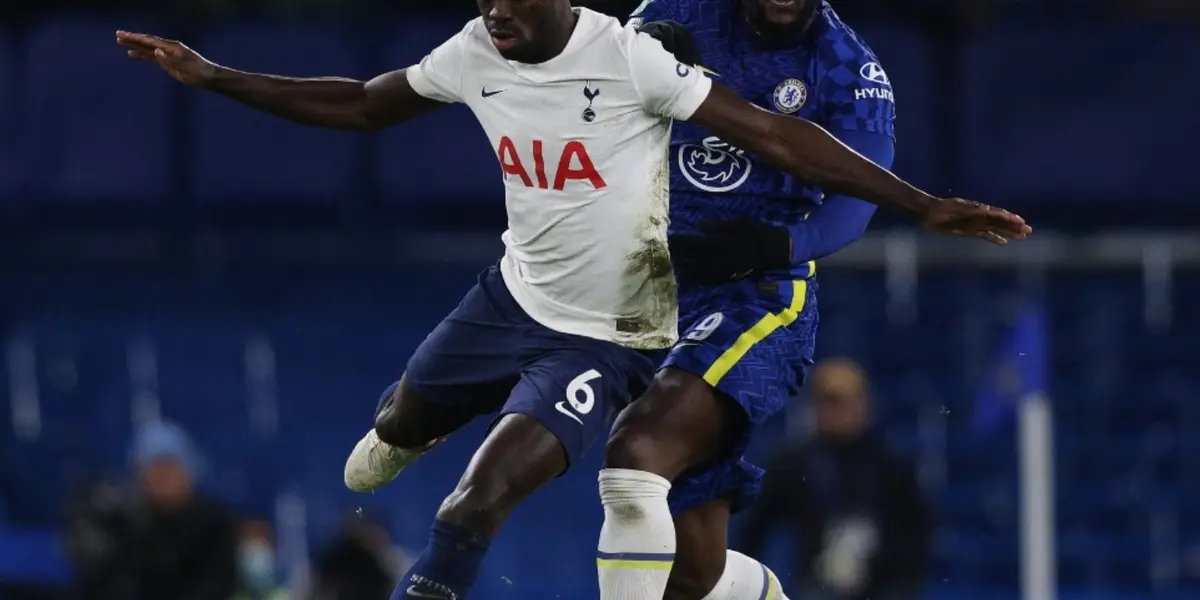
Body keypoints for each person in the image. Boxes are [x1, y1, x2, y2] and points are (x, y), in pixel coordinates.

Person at [115, 1, 1027, 597]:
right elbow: (363, 104)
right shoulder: (630, 24)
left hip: (732, 297)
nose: (497, 10)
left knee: (623, 471)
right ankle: (749, 590)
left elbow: (790, 147)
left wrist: (909, 207)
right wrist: (215, 75)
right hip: (580, 287)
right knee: (688, 563)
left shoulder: (820, 64)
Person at [596, 2, 919, 599]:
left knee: (634, 454)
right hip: (651, 291)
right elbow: (582, 92)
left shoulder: (848, 67)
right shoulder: (672, 13)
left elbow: (857, 199)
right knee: (691, 572)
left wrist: (780, 241)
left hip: (759, 293)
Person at [741, 359, 933, 600]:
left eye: (845, 402)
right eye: (827, 402)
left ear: (864, 404)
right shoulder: (792, 463)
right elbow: (755, 528)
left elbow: (920, 532)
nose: (837, 412)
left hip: (882, 585)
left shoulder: (891, 464)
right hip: (818, 584)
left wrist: (875, 562)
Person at [64, 421, 239, 600]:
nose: (164, 480)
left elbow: (219, 581)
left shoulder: (214, 525)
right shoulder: (127, 525)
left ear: (189, 473)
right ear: (140, 477)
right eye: (156, 470)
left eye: (171, 469)